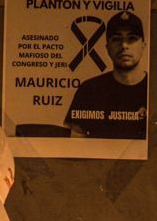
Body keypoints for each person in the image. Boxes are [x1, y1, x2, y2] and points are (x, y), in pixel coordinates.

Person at [63, 10, 148, 140]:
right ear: (107, 48)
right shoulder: (89, 90)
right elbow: (73, 143)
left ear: (143, 46)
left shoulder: (155, 90)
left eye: (132, 39)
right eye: (116, 39)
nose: (124, 45)